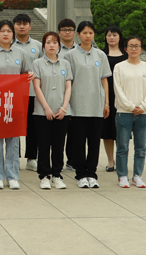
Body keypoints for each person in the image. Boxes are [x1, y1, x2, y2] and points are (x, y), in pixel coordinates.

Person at [0, 20, 33, 190]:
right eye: (2, 30)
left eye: (9, 31)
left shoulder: (21, 53)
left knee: (13, 140)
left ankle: (12, 176)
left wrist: (29, 75)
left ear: (13, 34)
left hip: (15, 102)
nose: (6, 34)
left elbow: (26, 73)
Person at [62, 21, 110, 189]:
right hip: (77, 106)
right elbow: (67, 82)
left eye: (91, 32)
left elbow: (104, 79)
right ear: (78, 35)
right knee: (78, 142)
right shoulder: (70, 55)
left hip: (96, 105)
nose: (88, 35)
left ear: (94, 35)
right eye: (84, 33)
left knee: (94, 143)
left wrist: (107, 103)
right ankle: (81, 174)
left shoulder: (100, 55)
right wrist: (66, 105)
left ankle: (92, 173)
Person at [113, 36, 146, 189]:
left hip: (143, 113)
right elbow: (118, 90)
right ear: (126, 48)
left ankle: (137, 175)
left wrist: (143, 106)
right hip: (124, 112)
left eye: (137, 46)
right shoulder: (119, 67)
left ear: (141, 49)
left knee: (140, 147)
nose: (134, 48)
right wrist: (131, 107)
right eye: (131, 46)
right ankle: (122, 176)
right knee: (123, 146)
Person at [32, 31, 72, 190]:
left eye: (55, 42)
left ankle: (57, 175)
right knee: (43, 145)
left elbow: (68, 87)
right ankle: (44, 176)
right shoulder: (38, 63)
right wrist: (46, 108)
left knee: (58, 144)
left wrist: (64, 107)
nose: (51, 45)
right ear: (43, 45)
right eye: (48, 42)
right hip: (42, 112)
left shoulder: (65, 64)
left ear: (59, 46)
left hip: (61, 112)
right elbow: (37, 87)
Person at [13, 13, 43, 172]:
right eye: (18, 23)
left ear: (30, 26)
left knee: (33, 127)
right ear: (14, 26)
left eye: (25, 23)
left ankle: (32, 157)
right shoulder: (9, 44)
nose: (22, 26)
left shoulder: (38, 46)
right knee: (15, 126)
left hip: (34, 92)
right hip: (15, 94)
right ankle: (14, 157)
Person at [103, 26, 128, 173]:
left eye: (114, 35)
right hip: (107, 96)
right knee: (107, 131)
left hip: (123, 97)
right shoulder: (101, 55)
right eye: (109, 35)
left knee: (122, 130)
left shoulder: (126, 55)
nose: (111, 38)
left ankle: (121, 160)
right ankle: (110, 161)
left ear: (120, 37)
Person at [57, 17, 78, 173]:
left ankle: (72, 160)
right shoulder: (55, 49)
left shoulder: (79, 50)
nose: (67, 32)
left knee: (74, 131)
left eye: (70, 29)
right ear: (59, 32)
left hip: (77, 94)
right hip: (59, 94)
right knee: (59, 131)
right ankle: (57, 160)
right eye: (64, 29)